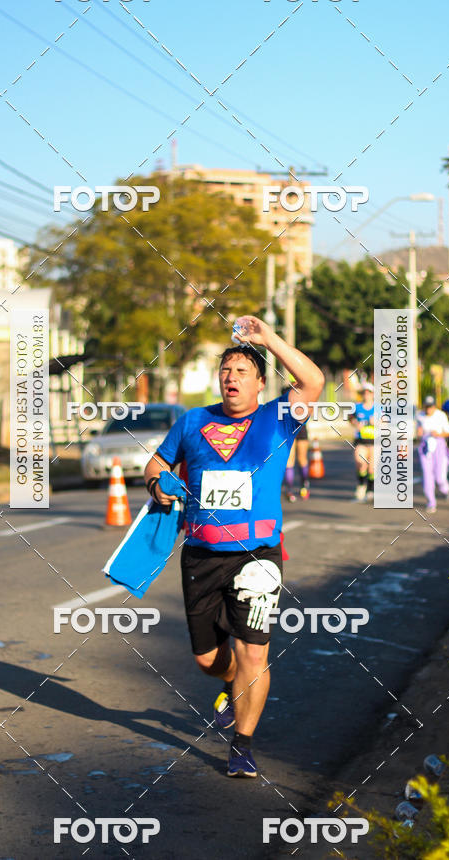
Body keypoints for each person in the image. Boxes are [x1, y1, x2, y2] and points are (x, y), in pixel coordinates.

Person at [143, 316, 324, 778]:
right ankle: (227, 683)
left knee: (254, 653)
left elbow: (313, 380)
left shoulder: (278, 418)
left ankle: (242, 743)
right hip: (201, 554)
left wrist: (267, 339)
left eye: (243, 371)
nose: (231, 377)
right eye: (226, 371)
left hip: (257, 555)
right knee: (208, 660)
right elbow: (158, 462)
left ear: (261, 384)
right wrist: (156, 484)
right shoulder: (192, 421)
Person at [416, 396, 449, 514]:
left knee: (439, 477)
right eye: (426, 406)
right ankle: (431, 502)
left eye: (431, 406)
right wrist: (419, 433)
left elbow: (448, 432)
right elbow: (418, 432)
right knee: (427, 474)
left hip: (439, 445)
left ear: (434, 406)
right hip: (425, 447)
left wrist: (438, 434)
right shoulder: (420, 415)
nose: (428, 409)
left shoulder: (441, 415)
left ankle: (445, 489)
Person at [283, 388, 310, 501]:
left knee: (298, 459)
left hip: (297, 430)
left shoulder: (299, 399)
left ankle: (299, 486)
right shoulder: (295, 398)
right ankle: (295, 488)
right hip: (293, 431)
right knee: (294, 459)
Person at [351, 384, 375, 501]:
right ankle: (361, 485)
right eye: (364, 393)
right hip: (361, 440)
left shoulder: (378, 408)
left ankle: (371, 489)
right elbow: (350, 418)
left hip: (375, 441)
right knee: (361, 464)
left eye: (369, 392)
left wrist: (378, 422)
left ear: (372, 394)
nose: (366, 395)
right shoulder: (357, 407)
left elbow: (386, 422)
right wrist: (355, 423)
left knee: (371, 468)